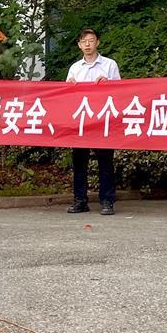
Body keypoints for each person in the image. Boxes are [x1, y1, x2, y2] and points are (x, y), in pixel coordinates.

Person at [65, 28, 121, 216]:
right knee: (79, 164)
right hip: (81, 122)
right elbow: (66, 95)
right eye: (84, 41)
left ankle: (107, 201)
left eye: (91, 40)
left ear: (97, 42)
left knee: (105, 163)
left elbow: (122, 91)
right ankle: (80, 200)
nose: (87, 44)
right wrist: (70, 87)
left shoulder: (109, 65)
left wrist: (109, 84)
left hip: (102, 121)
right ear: (79, 45)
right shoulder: (75, 68)